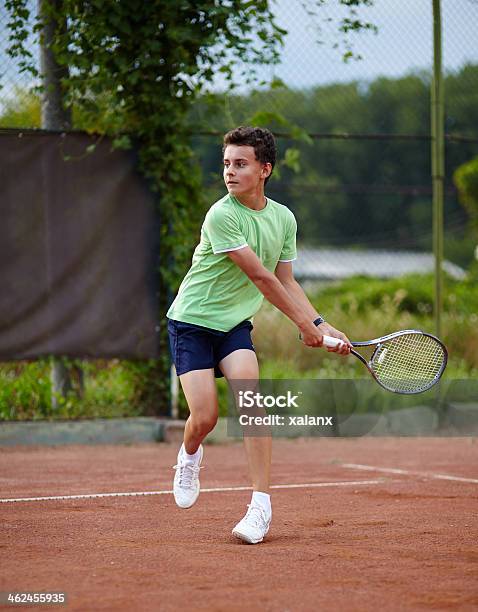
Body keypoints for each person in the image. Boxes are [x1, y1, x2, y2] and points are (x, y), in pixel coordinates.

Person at [167, 126, 351, 544]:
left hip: (234, 326)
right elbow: (261, 277)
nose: (230, 172)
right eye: (226, 164)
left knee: (252, 406)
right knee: (206, 418)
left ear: (264, 169)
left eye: (241, 164)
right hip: (192, 324)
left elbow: (287, 279)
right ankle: (190, 455)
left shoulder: (283, 218)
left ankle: (260, 509)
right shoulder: (222, 214)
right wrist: (304, 327)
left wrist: (320, 325)